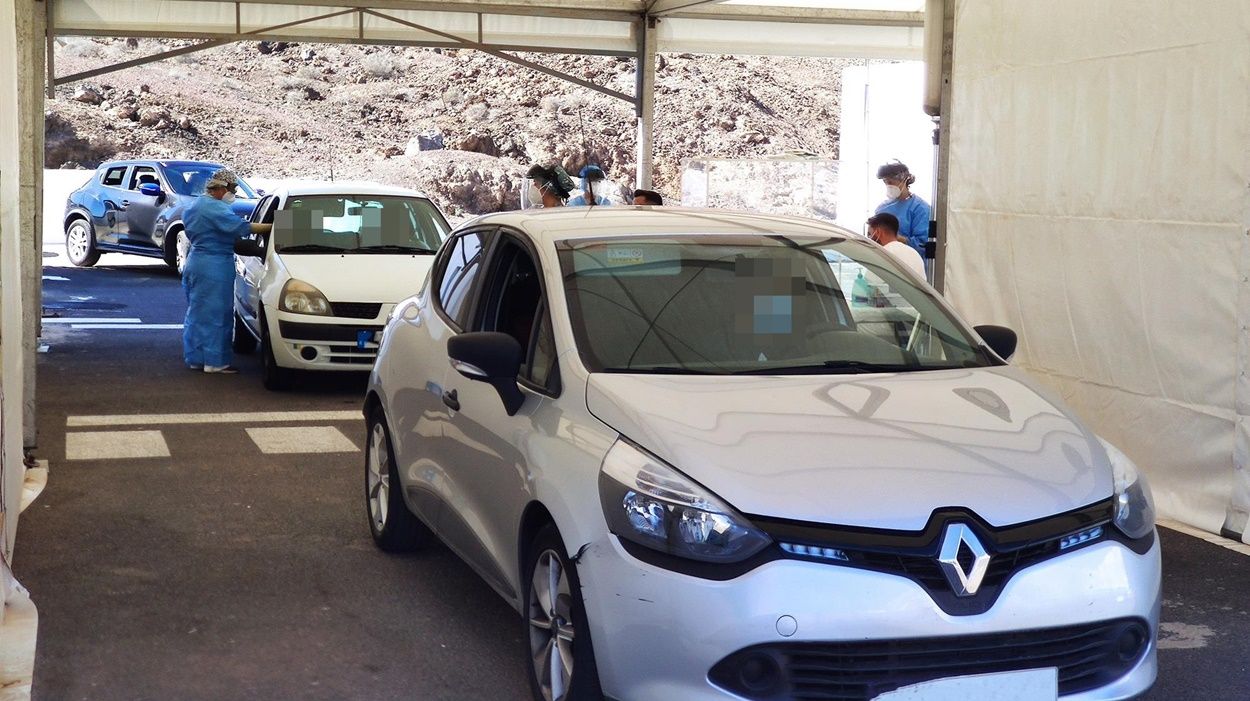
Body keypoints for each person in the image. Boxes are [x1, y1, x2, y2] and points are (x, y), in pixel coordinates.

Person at [182, 169, 271, 373]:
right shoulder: (214, 208)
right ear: (221, 188)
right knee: (217, 313)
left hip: (196, 262)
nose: (234, 193)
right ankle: (215, 362)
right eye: (232, 189)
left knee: (197, 312)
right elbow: (241, 228)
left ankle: (197, 357)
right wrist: (275, 226)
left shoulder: (195, 205)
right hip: (214, 266)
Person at [874, 161, 931, 257]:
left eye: (891, 182)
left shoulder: (920, 208)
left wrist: (895, 238)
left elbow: (923, 246)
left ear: (904, 180)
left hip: (910, 265)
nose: (888, 186)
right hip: (885, 261)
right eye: (885, 182)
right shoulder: (881, 208)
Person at [867, 212, 925, 278]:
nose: (869, 238)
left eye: (870, 234)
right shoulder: (914, 253)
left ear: (878, 232)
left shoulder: (882, 255)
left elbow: (869, 285)